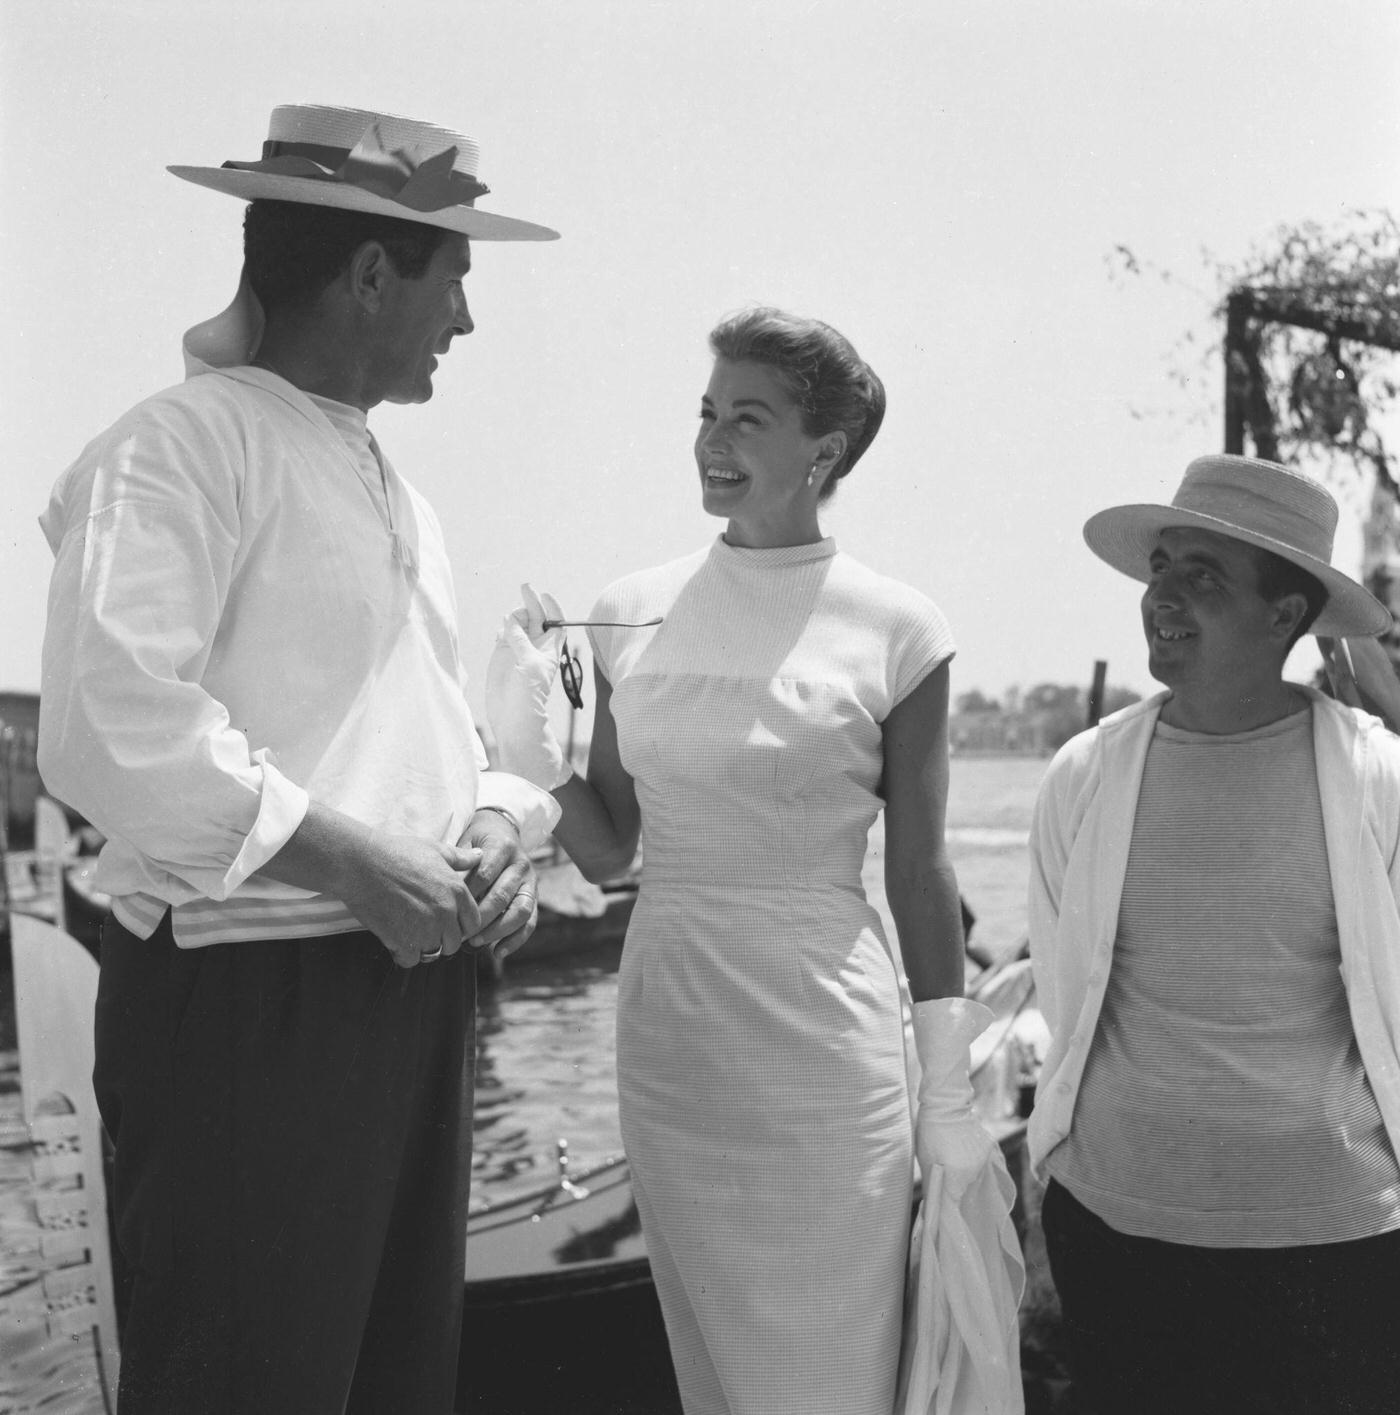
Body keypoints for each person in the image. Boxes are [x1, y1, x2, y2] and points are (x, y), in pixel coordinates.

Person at [36, 104, 560, 1414]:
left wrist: (491, 823)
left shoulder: (401, 493)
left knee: (395, 1379)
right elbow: (108, 721)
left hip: (409, 989)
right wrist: (352, 855)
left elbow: (428, 728)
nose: (467, 321)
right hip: (249, 994)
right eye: (457, 280)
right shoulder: (180, 445)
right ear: (374, 273)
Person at [487, 308, 1023, 1415]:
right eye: (705, 412)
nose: (711, 439)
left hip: (826, 1039)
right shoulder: (629, 613)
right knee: (716, 1374)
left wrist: (946, 1090)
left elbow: (919, 872)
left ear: (821, 451)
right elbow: (609, 851)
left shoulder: (899, 625)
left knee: (831, 1372)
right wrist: (527, 756)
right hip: (673, 1030)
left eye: (747, 417)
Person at [1028, 454, 1400, 1415]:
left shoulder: (1380, 781)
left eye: (1204, 575)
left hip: (1339, 1243)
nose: (1161, 596)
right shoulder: (1084, 775)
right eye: (1162, 566)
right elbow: (1066, 999)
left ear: (1288, 615)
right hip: (1118, 1233)